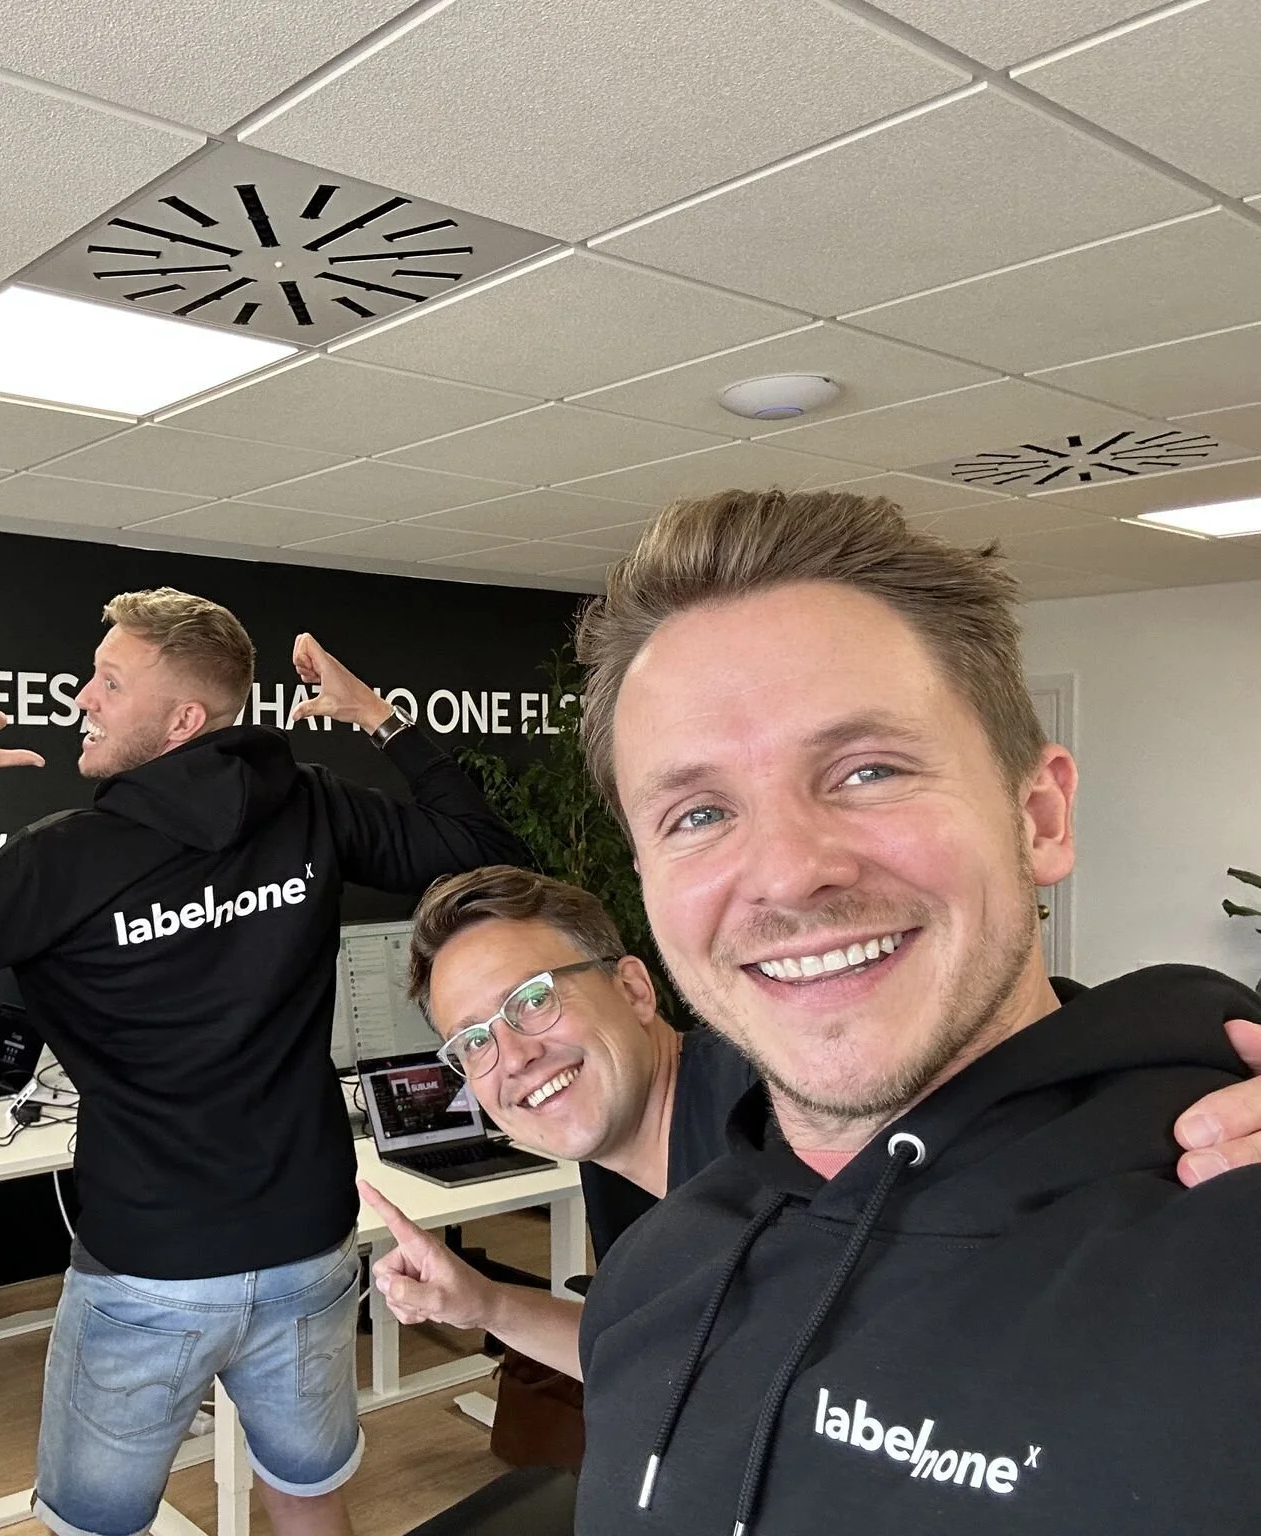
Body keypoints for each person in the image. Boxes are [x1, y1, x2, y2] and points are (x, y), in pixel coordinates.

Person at [536, 487, 1261, 1534]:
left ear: (1037, 817)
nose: (786, 873)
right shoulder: (652, 1278)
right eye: (696, 813)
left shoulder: (1227, 1249)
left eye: (866, 769)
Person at [0, 587, 528, 1536]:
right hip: (307, 1245)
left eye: (109, 683)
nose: (84, 698)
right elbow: (487, 848)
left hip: (150, 1270)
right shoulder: (307, 807)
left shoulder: (62, 859)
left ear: (184, 719)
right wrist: (378, 719)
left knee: (93, 1523)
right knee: (307, 1489)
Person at [362, 864, 1261, 1383]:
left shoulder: (796, 1100)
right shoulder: (619, 1159)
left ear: (636, 989)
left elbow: (1026, 1088)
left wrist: (1174, 1082)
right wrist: (483, 1304)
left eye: (530, 1002)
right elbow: (655, 1356)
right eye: (470, 1041)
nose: (509, 1056)